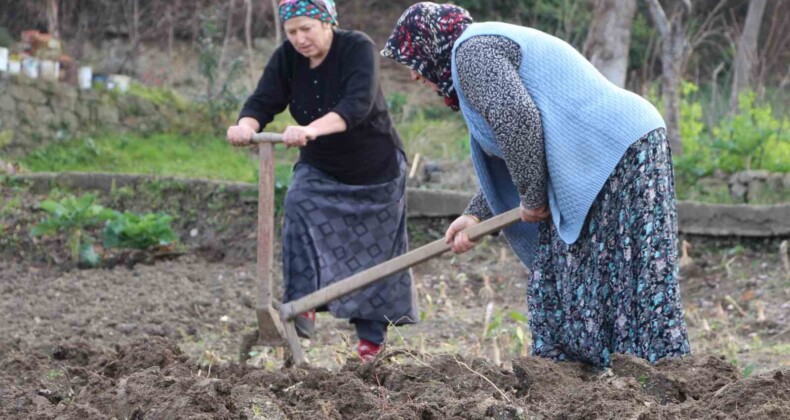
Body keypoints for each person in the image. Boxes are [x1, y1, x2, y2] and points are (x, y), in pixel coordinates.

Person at [381, 2, 690, 367]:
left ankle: (645, 377)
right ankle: (580, 376)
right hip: (611, 149)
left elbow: (518, 120)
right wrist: (475, 216)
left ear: (432, 46)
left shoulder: (471, 52)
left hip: (616, 149)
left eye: (414, 60)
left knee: (621, 271)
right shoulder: (475, 55)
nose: (415, 76)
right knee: (568, 274)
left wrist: (532, 196)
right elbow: (515, 146)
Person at [227, 0, 416, 361]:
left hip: (374, 170)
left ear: (327, 22)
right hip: (321, 167)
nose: (299, 39)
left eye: (306, 29)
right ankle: (302, 308)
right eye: (292, 31)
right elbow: (263, 101)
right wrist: (245, 126)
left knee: (372, 254)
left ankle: (370, 341)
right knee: (298, 204)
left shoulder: (357, 47)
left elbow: (356, 105)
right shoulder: (287, 58)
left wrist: (310, 130)